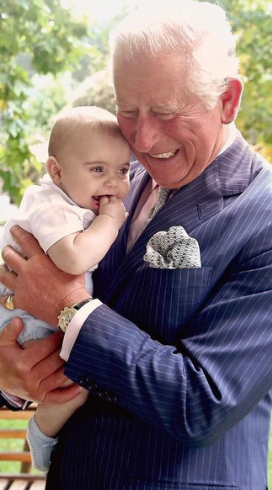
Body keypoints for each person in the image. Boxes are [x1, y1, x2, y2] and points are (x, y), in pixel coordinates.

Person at [0, 2, 272, 488]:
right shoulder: (109, 181)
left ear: (228, 100)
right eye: (128, 109)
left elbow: (202, 404)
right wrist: (12, 376)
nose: (143, 139)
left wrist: (69, 308)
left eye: (166, 113)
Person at [0, 107, 130, 471]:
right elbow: (74, 260)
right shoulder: (49, 205)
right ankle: (41, 435)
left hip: (40, 319)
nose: (113, 184)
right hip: (21, 322)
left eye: (123, 170)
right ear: (56, 171)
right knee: (75, 384)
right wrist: (109, 221)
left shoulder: (75, 201)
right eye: (98, 170)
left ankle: (42, 432)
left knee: (79, 379)